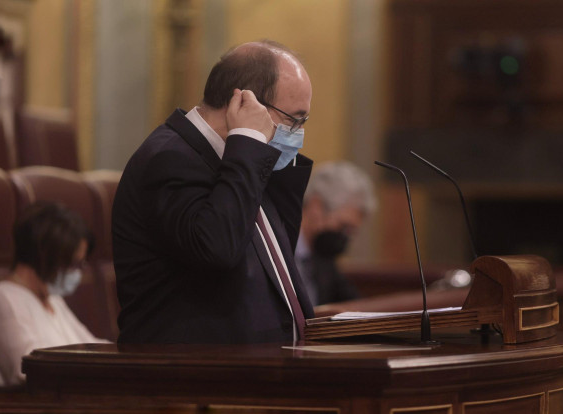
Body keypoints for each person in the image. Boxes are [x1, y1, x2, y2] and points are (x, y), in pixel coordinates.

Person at [112, 40, 315, 344]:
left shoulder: (239, 161)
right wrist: (248, 140)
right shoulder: (170, 159)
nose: (298, 133)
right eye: (294, 119)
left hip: (259, 370)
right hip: (192, 376)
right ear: (245, 104)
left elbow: (277, 258)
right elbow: (217, 249)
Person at [0, 202, 107, 387]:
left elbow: (92, 346)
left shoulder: (53, 299)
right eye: (74, 264)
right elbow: (28, 372)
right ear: (46, 256)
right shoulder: (4, 299)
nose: (78, 272)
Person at [295, 161, 376, 305]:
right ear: (316, 206)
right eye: (343, 226)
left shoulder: (323, 258)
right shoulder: (277, 248)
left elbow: (355, 304)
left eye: (352, 231)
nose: (345, 236)